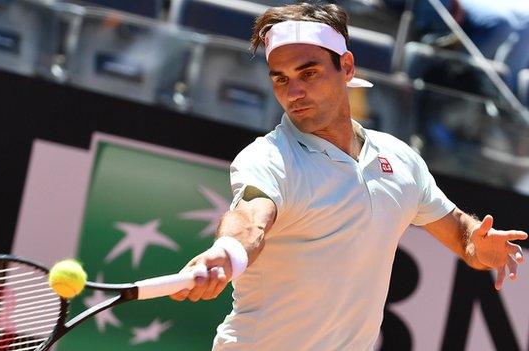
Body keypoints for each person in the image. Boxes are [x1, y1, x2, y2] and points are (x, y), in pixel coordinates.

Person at [169, 3, 527, 350]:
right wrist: (226, 251)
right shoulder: (267, 158)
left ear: (347, 67)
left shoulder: (400, 160)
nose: (293, 93)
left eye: (308, 74)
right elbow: (250, 219)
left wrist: (479, 245)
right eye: (281, 79)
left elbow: (461, 234)